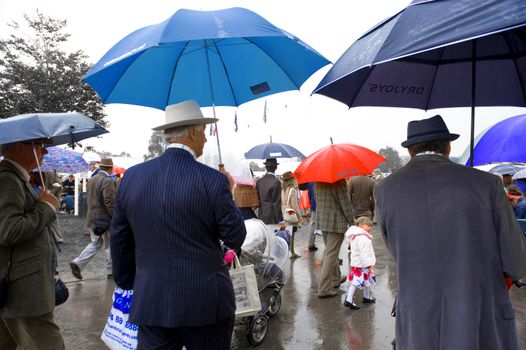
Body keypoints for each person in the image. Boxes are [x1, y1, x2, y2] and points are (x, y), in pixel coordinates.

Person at [374, 114, 526, 350]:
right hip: (479, 315)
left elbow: (395, 248)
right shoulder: (488, 184)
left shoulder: (385, 189)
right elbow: (516, 261)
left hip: (417, 317)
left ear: (411, 150)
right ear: (447, 146)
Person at [111, 100, 247, 350]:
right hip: (206, 302)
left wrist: (129, 282)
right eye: (204, 133)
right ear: (193, 132)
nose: (205, 140)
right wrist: (229, 191)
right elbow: (235, 237)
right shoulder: (213, 180)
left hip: (151, 299)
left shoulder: (132, 177)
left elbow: (119, 237)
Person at [0, 139, 65, 350]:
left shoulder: (18, 178)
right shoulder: (8, 180)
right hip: (24, 288)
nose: (44, 151)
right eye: (38, 145)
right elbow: (9, 230)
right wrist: (46, 207)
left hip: (17, 283)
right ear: (19, 147)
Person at [70, 157, 116, 280]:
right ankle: (111, 271)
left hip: (92, 218)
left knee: (95, 243)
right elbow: (110, 201)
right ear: (110, 168)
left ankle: (78, 263)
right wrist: (115, 216)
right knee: (110, 245)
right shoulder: (107, 181)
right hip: (104, 220)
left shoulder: (92, 179)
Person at [315, 179, 355, 298]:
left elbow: (318, 201)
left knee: (331, 252)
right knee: (331, 254)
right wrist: (352, 222)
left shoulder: (317, 182)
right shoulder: (339, 182)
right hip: (336, 222)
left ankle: (336, 279)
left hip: (323, 220)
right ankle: (323, 288)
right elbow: (346, 204)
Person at [343, 216, 376, 310]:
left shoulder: (355, 236)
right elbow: (364, 254)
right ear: (360, 225)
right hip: (362, 265)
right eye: (368, 225)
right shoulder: (363, 238)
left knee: (366, 281)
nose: (370, 227)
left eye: (371, 225)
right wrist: (369, 265)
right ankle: (349, 300)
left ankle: (366, 297)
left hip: (357, 263)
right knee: (355, 282)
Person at [256, 158, 283, 230]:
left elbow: (258, 199)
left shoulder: (259, 181)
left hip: (261, 215)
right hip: (272, 216)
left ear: (266, 167)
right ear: (276, 167)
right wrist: (280, 220)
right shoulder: (276, 182)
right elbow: (276, 202)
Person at [281, 171, 302, 258]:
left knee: (284, 233)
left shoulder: (282, 190)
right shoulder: (292, 190)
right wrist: (300, 217)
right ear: (291, 180)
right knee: (292, 234)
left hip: (283, 213)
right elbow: (295, 205)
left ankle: (284, 251)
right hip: (290, 214)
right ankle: (292, 252)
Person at [307, 182, 319, 251]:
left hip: (314, 204)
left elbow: (309, 195)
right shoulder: (324, 180)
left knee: (312, 224)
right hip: (323, 205)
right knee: (325, 225)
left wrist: (311, 202)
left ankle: (311, 244)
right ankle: (328, 246)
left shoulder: (311, 182)